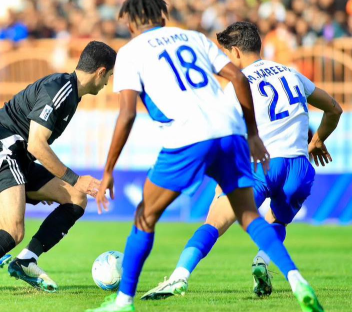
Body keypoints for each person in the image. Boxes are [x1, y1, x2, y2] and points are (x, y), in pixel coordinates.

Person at [87, 0, 322, 312]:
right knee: (249, 216)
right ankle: (296, 280)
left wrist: (109, 169)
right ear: (163, 18)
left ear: (130, 23)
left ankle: (124, 301)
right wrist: (253, 134)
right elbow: (239, 77)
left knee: (145, 215)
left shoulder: (130, 52)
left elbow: (127, 113)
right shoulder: (194, 37)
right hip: (229, 132)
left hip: (187, 135)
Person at [142, 21, 342, 300]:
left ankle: (179, 277)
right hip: (298, 167)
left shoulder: (238, 84)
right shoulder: (291, 73)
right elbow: (334, 108)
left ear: (235, 52)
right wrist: (319, 138)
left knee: (214, 222)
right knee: (277, 221)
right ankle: (262, 260)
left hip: (262, 167)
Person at [0, 41, 116, 297]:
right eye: (110, 76)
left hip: (18, 157)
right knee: (12, 230)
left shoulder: (71, 93)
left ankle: (26, 261)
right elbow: (37, 145)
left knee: (75, 196)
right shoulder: (60, 89)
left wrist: (69, 185)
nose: (108, 83)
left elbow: (33, 148)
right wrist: (75, 178)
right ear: (101, 72)